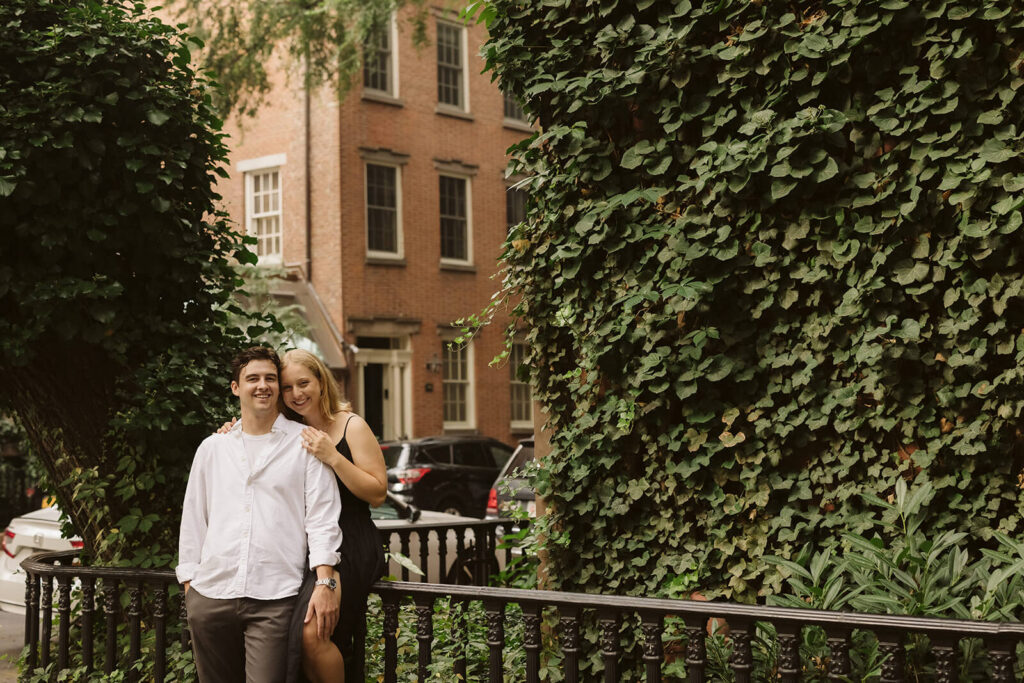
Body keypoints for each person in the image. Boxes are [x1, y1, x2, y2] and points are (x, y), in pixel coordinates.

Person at [219, 348, 388, 683]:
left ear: (321, 383)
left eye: (304, 383)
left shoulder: (350, 426)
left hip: (348, 541)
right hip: (299, 543)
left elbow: (377, 492)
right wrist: (231, 434)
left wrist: (333, 457)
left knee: (313, 632)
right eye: (287, 387)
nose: (297, 394)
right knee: (284, 631)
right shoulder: (284, 431)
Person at [177, 346, 344, 683]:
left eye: (270, 378)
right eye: (252, 378)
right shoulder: (213, 448)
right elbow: (194, 517)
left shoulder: (305, 444)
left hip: (275, 596)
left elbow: (322, 518)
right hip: (211, 595)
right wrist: (190, 583)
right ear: (236, 387)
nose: (262, 385)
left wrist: (325, 580)